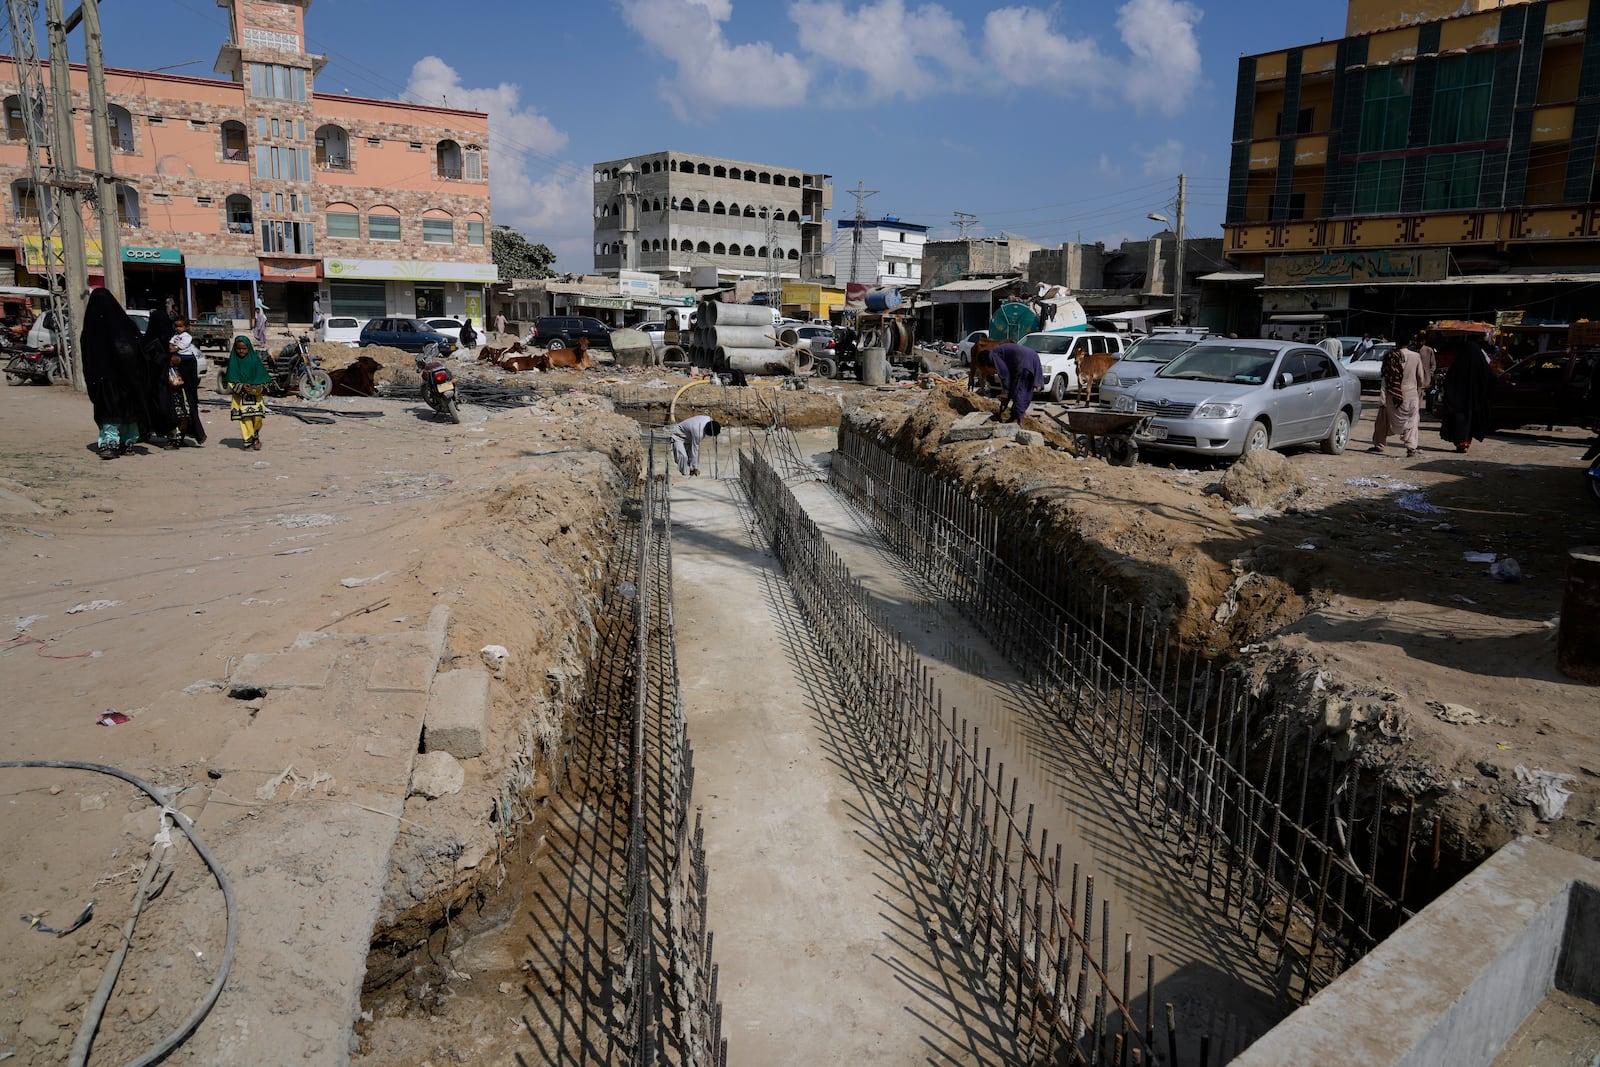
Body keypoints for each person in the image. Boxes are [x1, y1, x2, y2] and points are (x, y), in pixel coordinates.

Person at [80, 289, 154, 459]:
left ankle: (113, 444)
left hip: (108, 379)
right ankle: (124, 443)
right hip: (123, 378)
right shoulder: (125, 325)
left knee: (111, 412)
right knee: (122, 411)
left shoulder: (92, 329)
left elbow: (88, 357)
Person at [1368, 339, 1428, 457]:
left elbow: (1385, 377)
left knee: (1383, 419)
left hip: (1392, 393)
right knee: (1412, 420)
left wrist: (1383, 396)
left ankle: (1379, 445)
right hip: (1410, 394)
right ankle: (1411, 447)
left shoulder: (1390, 356)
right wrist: (1420, 388)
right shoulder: (1415, 356)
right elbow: (1421, 378)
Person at [1438, 342, 1496, 453]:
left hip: (1458, 402)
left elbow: (1448, 381)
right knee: (1470, 422)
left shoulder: (1459, 364)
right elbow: (1492, 378)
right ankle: (1466, 443)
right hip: (1474, 401)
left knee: (1459, 421)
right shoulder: (1481, 365)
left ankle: (1461, 444)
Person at [225, 335, 270, 451]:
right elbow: (231, 379)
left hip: (256, 397)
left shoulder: (255, 360)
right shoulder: (233, 362)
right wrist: (241, 386)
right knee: (245, 419)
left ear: (249, 348)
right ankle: (248, 441)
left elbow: (263, 378)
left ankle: (255, 435)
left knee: (258, 418)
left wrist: (260, 387)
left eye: (244, 348)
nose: (241, 351)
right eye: (238, 348)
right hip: (240, 397)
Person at [168, 317, 207, 446]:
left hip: (186, 386)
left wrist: (174, 352)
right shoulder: (175, 336)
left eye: (180, 326)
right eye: (177, 326)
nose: (178, 328)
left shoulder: (186, 338)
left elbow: (175, 348)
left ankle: (182, 435)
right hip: (177, 386)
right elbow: (170, 345)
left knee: (187, 407)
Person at [987, 341, 1044, 423]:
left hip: (1024, 362)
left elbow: (1004, 373)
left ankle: (1019, 421)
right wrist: (1007, 395)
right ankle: (1014, 416)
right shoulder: (1000, 353)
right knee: (1024, 392)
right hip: (1032, 358)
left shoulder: (994, 355)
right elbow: (1010, 379)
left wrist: (1006, 392)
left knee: (1020, 393)